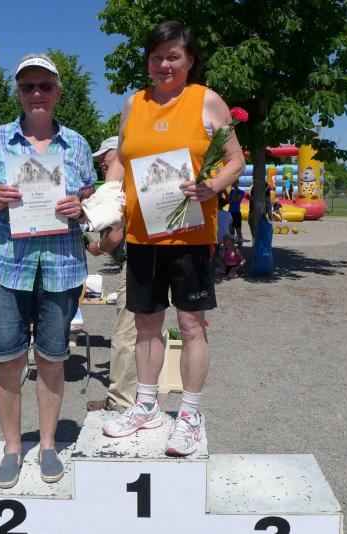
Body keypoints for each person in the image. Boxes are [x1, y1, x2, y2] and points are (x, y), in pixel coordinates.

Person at [100, 21, 245, 457]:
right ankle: (145, 405)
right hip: (142, 235)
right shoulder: (133, 103)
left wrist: (211, 187)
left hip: (190, 235)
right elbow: (120, 161)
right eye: (156, 57)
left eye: (173, 57)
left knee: (190, 324)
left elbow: (236, 161)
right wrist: (107, 200)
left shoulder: (206, 100)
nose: (164, 65)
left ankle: (190, 414)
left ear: (190, 60)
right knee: (145, 323)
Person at [0, 53, 95, 487]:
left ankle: (47, 445)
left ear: (58, 92)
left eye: (44, 86)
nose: (36, 93)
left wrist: (81, 207)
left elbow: (91, 200)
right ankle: (12, 447)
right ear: (19, 93)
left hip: (61, 266)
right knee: (6, 360)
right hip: (6, 264)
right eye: (28, 87)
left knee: (53, 360)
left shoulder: (77, 144)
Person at [86, 136, 137, 413]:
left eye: (105, 157)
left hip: (135, 262)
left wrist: (97, 247)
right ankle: (139, 397)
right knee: (143, 331)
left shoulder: (120, 186)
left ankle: (120, 401)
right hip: (151, 258)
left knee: (125, 333)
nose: (102, 164)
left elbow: (115, 236)